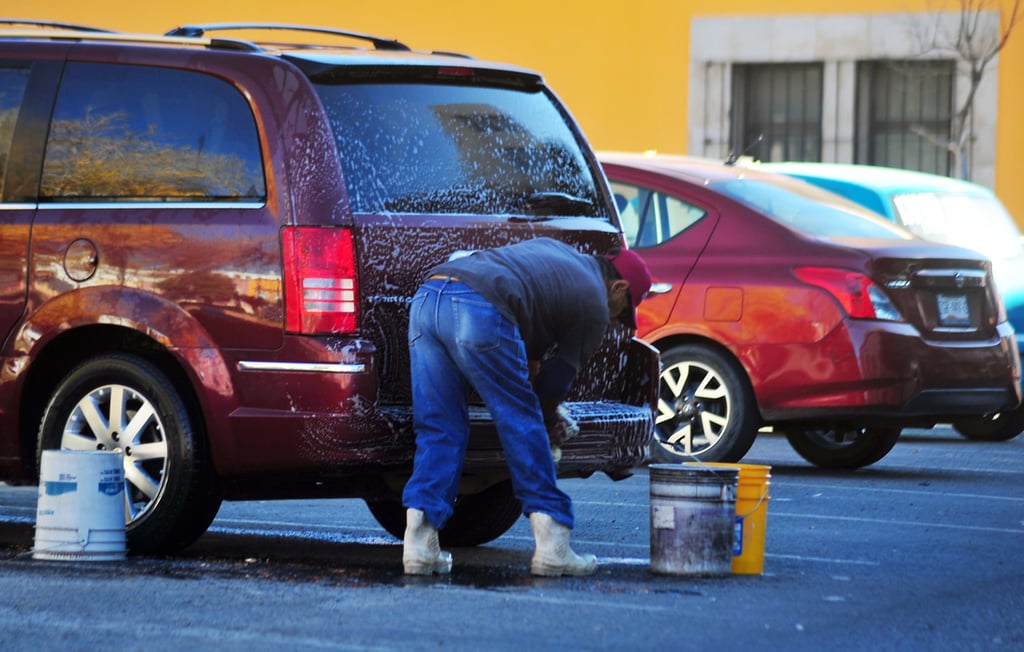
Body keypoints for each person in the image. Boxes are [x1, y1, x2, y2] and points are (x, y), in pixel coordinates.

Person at [401, 236, 652, 576]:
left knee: (440, 426)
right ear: (618, 288)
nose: (614, 322)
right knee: (523, 423)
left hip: (429, 300)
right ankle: (553, 546)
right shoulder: (594, 302)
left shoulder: (558, 258)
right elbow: (554, 382)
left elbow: (528, 350)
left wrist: (540, 396)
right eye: (622, 311)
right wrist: (550, 425)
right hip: (478, 305)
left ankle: (419, 542)